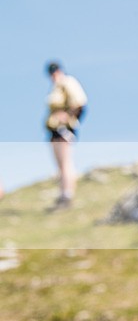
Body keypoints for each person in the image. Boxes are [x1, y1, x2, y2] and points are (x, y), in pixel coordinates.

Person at [44, 61, 87, 210]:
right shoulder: (55, 88)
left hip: (64, 130)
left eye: (55, 71)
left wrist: (68, 117)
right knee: (60, 165)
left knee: (65, 162)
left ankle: (67, 195)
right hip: (54, 130)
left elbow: (80, 102)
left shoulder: (68, 82)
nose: (53, 74)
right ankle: (62, 194)